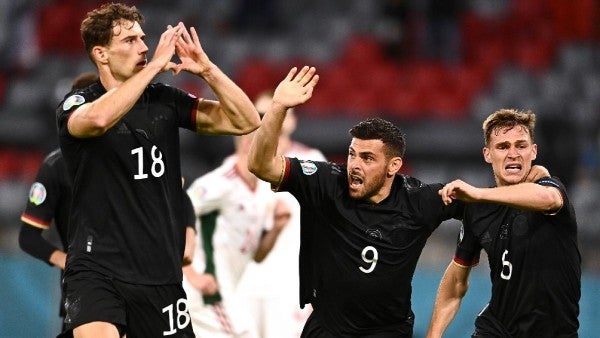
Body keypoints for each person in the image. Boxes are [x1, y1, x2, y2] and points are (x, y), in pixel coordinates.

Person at [55, 3, 260, 338]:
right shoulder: (78, 102)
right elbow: (98, 120)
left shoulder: (164, 101)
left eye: (143, 38)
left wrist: (207, 70)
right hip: (97, 268)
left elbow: (246, 120)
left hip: (160, 274)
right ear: (101, 53)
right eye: (130, 40)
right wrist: (152, 70)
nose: (145, 46)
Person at [247, 65, 468, 337]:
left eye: (367, 158)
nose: (354, 164)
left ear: (393, 165)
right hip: (327, 326)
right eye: (352, 154)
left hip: (386, 331)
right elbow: (260, 165)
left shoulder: (418, 200)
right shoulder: (326, 182)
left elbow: (481, 206)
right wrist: (278, 107)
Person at [426, 109, 580, 337]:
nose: (513, 153)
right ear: (487, 154)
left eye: (521, 145)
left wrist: (478, 194)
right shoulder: (477, 210)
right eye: (503, 146)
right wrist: (433, 334)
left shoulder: (550, 187)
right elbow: (456, 281)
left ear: (533, 151)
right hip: (497, 329)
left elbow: (548, 199)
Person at [183, 128, 290, 338]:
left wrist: (276, 228)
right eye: (275, 145)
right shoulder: (220, 182)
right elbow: (175, 213)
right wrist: (192, 275)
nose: (283, 150)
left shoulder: (262, 190)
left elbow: (257, 256)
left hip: (228, 290)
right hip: (207, 293)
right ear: (249, 145)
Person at [237, 90, 326, 338]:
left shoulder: (311, 161)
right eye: (262, 114)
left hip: (290, 285)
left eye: (279, 111)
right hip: (245, 284)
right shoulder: (237, 167)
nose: (269, 118)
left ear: (293, 119)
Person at [19, 72, 98, 333]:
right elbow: (29, 237)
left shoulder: (132, 159)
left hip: (135, 282)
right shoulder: (56, 166)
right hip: (84, 290)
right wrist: (70, 261)